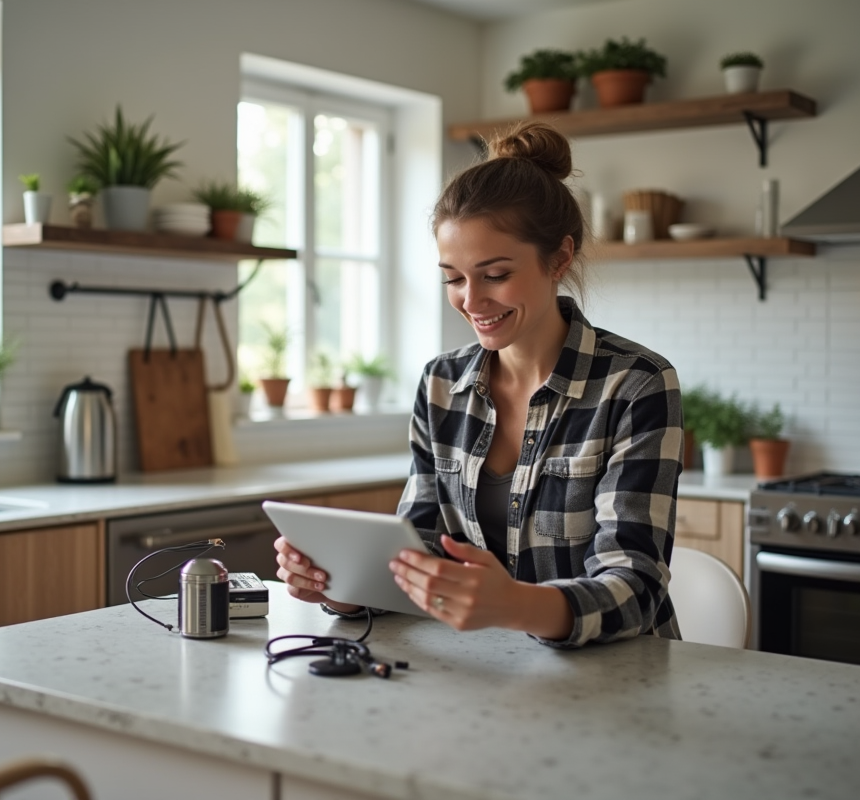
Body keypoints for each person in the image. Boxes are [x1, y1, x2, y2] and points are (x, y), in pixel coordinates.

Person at [274, 121, 683, 648]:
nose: (471, 300)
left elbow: (637, 587)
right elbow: (420, 551)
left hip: (618, 682)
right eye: (453, 277)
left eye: (494, 275)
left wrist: (515, 605)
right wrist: (343, 587)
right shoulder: (441, 383)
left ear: (559, 257)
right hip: (486, 672)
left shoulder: (635, 384)